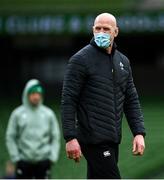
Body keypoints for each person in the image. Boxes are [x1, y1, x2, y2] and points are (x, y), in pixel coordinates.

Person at [61, 13, 146, 179]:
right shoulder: (80, 60)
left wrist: (139, 133)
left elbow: (131, 100)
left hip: (113, 139)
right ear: (92, 30)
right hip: (93, 139)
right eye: (97, 28)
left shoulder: (123, 62)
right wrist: (70, 137)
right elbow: (68, 100)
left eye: (106, 29)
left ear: (115, 32)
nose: (101, 32)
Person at [6, 79, 60, 179]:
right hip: (23, 162)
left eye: (39, 93)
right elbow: (10, 137)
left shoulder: (48, 114)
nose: (36, 96)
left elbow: (55, 137)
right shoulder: (17, 114)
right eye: (33, 93)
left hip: (43, 161)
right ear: (27, 94)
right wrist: (16, 158)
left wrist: (52, 158)